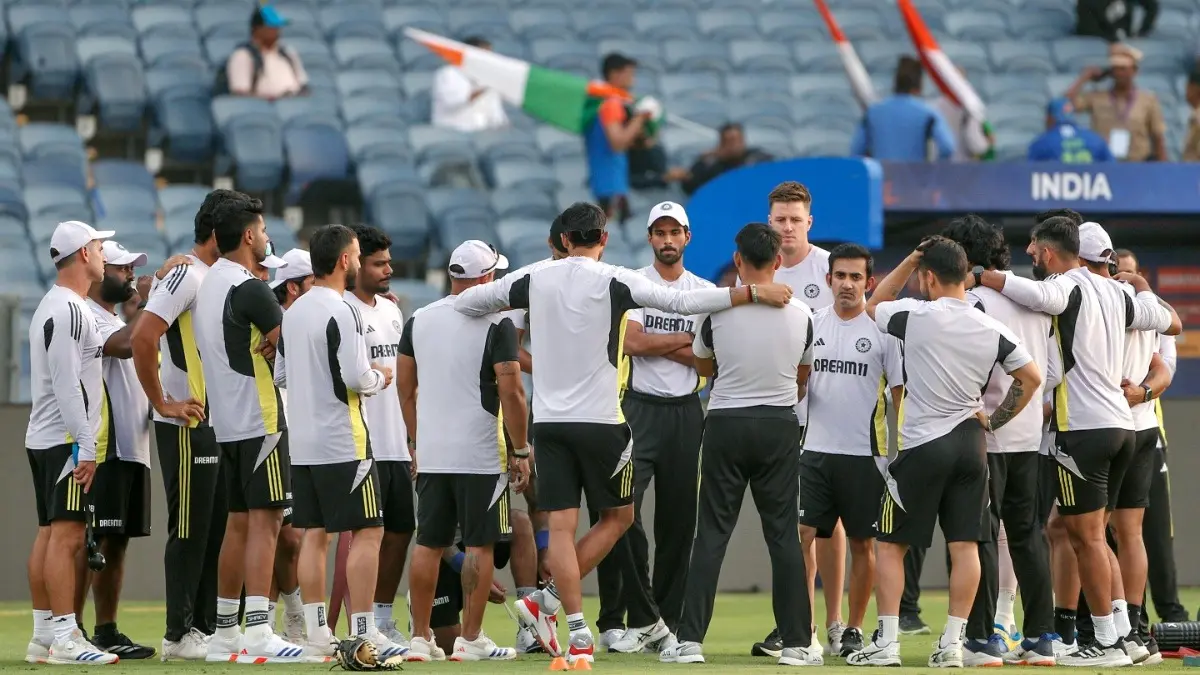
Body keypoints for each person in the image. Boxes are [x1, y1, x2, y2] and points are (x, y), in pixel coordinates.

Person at [453, 202, 794, 666]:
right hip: (603, 422)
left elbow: (469, 302)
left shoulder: (535, 277)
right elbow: (683, 303)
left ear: (565, 240)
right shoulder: (616, 278)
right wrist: (751, 294)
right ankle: (546, 605)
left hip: (549, 423)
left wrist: (496, 300)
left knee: (561, 527)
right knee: (618, 521)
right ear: (604, 238)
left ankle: (573, 630)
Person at [970, 216, 1180, 667]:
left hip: (1084, 430)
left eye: (1033, 248)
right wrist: (1141, 284)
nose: (1028, 254)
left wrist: (980, 275)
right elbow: (1171, 321)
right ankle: (1124, 634)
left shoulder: (1068, 284)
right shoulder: (1120, 293)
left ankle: (1103, 642)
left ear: (1051, 253)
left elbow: (1031, 293)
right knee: (1094, 537)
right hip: (1124, 426)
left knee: (1085, 539)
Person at [850, 236, 1043, 668]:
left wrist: (910, 256)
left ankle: (888, 644)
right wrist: (995, 421)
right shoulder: (990, 325)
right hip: (971, 447)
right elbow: (1030, 378)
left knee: (890, 544)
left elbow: (873, 303)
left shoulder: (915, 315)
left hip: (923, 445)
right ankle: (953, 645)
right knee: (967, 545)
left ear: (928, 277)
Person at [662, 223, 819, 667]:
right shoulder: (804, 314)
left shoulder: (716, 311)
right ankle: (796, 644)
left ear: (737, 261)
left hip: (726, 424)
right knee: (784, 536)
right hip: (779, 425)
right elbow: (803, 376)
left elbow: (702, 367)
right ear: (778, 262)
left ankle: (689, 641)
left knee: (711, 534)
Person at [272, 225, 400, 661]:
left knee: (314, 534)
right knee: (369, 530)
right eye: (358, 254)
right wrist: (379, 377)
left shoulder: (293, 311)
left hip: (303, 441)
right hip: (344, 439)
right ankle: (363, 630)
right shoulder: (343, 311)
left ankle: (316, 634)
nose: (361, 260)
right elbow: (356, 377)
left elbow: (281, 375)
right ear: (345, 260)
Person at [397, 239, 529, 662]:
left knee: (429, 544)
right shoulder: (497, 323)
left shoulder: (418, 318)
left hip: (434, 450)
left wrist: (416, 442)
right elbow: (512, 390)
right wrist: (522, 449)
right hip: (481, 452)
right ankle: (471, 640)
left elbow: (405, 389)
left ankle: (419, 638)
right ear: (487, 278)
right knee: (480, 545)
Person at [595, 201, 710, 655]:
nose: (666, 239)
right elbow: (632, 342)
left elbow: (707, 361)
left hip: (686, 410)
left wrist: (660, 345)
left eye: (673, 232)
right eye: (658, 232)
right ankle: (619, 616)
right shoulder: (635, 284)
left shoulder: (701, 290)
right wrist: (684, 339)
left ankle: (666, 620)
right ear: (649, 238)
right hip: (637, 409)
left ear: (687, 237)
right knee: (621, 512)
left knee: (679, 524)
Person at [941, 216, 1057, 666]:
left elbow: (971, 369)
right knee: (1028, 535)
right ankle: (1042, 638)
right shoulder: (1035, 303)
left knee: (980, 536)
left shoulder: (969, 303)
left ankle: (982, 638)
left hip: (984, 436)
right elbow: (1051, 374)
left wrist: (986, 415)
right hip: (1029, 436)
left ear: (963, 258)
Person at [194, 194, 300, 662]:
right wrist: (280, 349)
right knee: (267, 522)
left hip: (228, 421)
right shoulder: (251, 288)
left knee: (238, 524)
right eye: (261, 229)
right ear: (250, 235)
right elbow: (292, 349)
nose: (265, 236)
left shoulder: (209, 283)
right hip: (262, 419)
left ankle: (224, 634)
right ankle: (257, 630)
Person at [131, 191, 231, 660]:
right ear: (220, 232)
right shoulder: (186, 275)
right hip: (187, 421)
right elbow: (143, 336)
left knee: (212, 530)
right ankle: (177, 635)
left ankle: (204, 630)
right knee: (189, 527)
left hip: (216, 419)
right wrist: (162, 403)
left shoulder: (214, 276)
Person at [1067, 226, 1171, 665]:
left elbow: (1161, 360)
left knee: (1092, 534)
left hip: (1107, 427)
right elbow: (1170, 340)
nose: (1122, 275)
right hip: (1140, 427)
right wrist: (1145, 288)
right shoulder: (1143, 305)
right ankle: (1134, 629)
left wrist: (1142, 392)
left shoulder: (1097, 302)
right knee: (1123, 535)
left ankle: (1115, 631)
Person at [796, 243, 903, 659]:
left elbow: (898, 394)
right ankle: (805, 628)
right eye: (840, 275)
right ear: (828, 279)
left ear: (869, 283)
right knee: (804, 537)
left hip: (866, 455)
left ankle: (854, 629)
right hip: (814, 451)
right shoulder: (810, 323)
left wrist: (904, 447)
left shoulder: (882, 331)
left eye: (856, 277)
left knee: (863, 544)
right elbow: (796, 381)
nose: (846, 284)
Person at [749, 181, 841, 660]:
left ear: (809, 222)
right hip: (780, 410)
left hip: (829, 411)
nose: (786, 227)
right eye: (779, 219)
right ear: (769, 223)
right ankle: (797, 625)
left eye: (794, 219)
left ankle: (834, 623)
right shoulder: (756, 269)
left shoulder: (829, 268)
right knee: (795, 523)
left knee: (830, 524)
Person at [24, 221, 121, 666]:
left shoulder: (59, 305)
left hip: (49, 436)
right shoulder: (69, 310)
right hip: (65, 439)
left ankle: (45, 633)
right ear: (84, 253)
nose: (104, 254)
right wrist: (86, 444)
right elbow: (67, 384)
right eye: (100, 246)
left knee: (50, 534)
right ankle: (65, 636)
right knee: (67, 537)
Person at [81, 241, 171, 660]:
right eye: (121, 269)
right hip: (106, 446)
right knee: (93, 540)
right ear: (100, 274)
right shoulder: (88, 316)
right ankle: (69, 628)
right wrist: (150, 308)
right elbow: (122, 345)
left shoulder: (116, 317)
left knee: (116, 542)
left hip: (133, 445)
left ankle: (106, 631)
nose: (131, 276)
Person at [341, 225, 416, 648]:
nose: (388, 269)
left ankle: (383, 621)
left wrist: (411, 440)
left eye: (389, 261)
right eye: (378, 263)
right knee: (360, 536)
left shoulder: (391, 311)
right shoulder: (342, 310)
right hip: (359, 443)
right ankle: (357, 625)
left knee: (401, 530)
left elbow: (406, 381)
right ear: (354, 264)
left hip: (394, 443)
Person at [1113, 250, 1187, 626]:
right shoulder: (1102, 306)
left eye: (1129, 273)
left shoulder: (1155, 312)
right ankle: (1117, 622)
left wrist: (1140, 391)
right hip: (1104, 431)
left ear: (1139, 275)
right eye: (1117, 272)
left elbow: (1166, 366)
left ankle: (1166, 615)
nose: (1122, 278)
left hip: (1145, 434)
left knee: (1150, 532)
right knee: (1097, 532)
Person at [415, 509, 539, 655]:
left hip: (483, 535)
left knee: (519, 520)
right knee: (449, 645)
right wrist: (477, 577)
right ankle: (419, 608)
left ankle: (529, 627)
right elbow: (431, 530)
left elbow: (537, 501)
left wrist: (545, 548)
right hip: (446, 551)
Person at [1066, 44, 1167, 162]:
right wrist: (1085, 78)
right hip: (1104, 164)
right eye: (1115, 69)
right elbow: (1065, 105)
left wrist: (1164, 169)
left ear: (1134, 71)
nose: (1119, 73)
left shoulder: (1148, 100)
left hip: (1137, 164)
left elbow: (1158, 137)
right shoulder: (1096, 97)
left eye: (1123, 69)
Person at [850, 56, 955, 161]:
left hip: (882, 174)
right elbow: (947, 147)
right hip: (915, 175)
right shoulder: (928, 113)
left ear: (895, 83)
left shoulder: (873, 112)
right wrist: (933, 171)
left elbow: (856, 150)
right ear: (920, 84)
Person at [586, 53, 650, 224]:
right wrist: (640, 118)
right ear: (615, 74)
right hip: (610, 187)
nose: (633, 80)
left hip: (611, 183)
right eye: (629, 74)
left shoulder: (602, 102)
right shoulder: (610, 104)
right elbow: (617, 143)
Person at [226, 5, 308, 100]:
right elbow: (242, 97)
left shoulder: (288, 53)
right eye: (271, 27)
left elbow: (303, 85)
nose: (276, 31)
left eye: (277, 27)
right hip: (265, 110)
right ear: (257, 29)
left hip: (294, 105)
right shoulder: (243, 56)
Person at [431, 36, 509, 132]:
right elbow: (452, 102)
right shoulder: (447, 74)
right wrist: (480, 90)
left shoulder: (489, 77)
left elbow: (495, 111)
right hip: (453, 132)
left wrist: (503, 124)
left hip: (483, 134)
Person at [680, 123, 774, 195]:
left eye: (737, 140)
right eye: (729, 142)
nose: (734, 146)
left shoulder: (757, 158)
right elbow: (691, 188)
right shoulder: (710, 164)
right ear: (721, 144)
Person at [1028, 98, 1115, 163]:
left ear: (1049, 118)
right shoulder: (1096, 140)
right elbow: (1113, 171)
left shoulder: (1041, 143)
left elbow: (1029, 176)